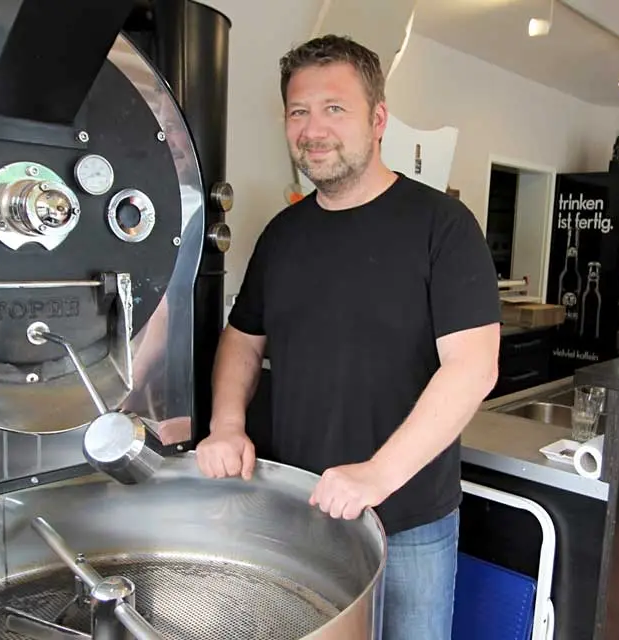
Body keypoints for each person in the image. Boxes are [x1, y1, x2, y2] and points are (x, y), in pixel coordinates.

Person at [194, 34, 501, 638]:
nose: (314, 129)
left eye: (335, 108)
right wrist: (226, 423)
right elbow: (242, 340)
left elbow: (473, 368)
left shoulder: (443, 226)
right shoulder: (281, 235)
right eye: (298, 111)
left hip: (408, 520)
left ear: (378, 118)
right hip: (300, 510)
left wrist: (376, 475)